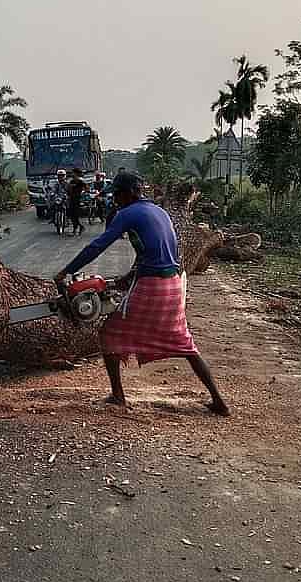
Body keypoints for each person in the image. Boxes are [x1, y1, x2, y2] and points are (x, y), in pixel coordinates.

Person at [54, 172, 229, 415]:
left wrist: (66, 271)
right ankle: (219, 402)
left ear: (126, 194)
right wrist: (128, 277)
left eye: (116, 195)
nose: (115, 200)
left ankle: (118, 395)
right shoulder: (158, 211)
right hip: (173, 285)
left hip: (153, 286)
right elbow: (156, 250)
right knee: (185, 344)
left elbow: (97, 246)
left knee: (109, 333)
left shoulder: (128, 213)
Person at [67, 167, 87, 237]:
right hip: (71, 199)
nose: (72, 174)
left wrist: (83, 192)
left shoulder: (80, 181)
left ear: (76, 173)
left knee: (75, 215)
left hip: (78, 199)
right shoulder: (71, 181)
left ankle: (75, 229)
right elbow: (68, 189)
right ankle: (79, 227)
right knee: (72, 215)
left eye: (73, 173)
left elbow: (86, 188)